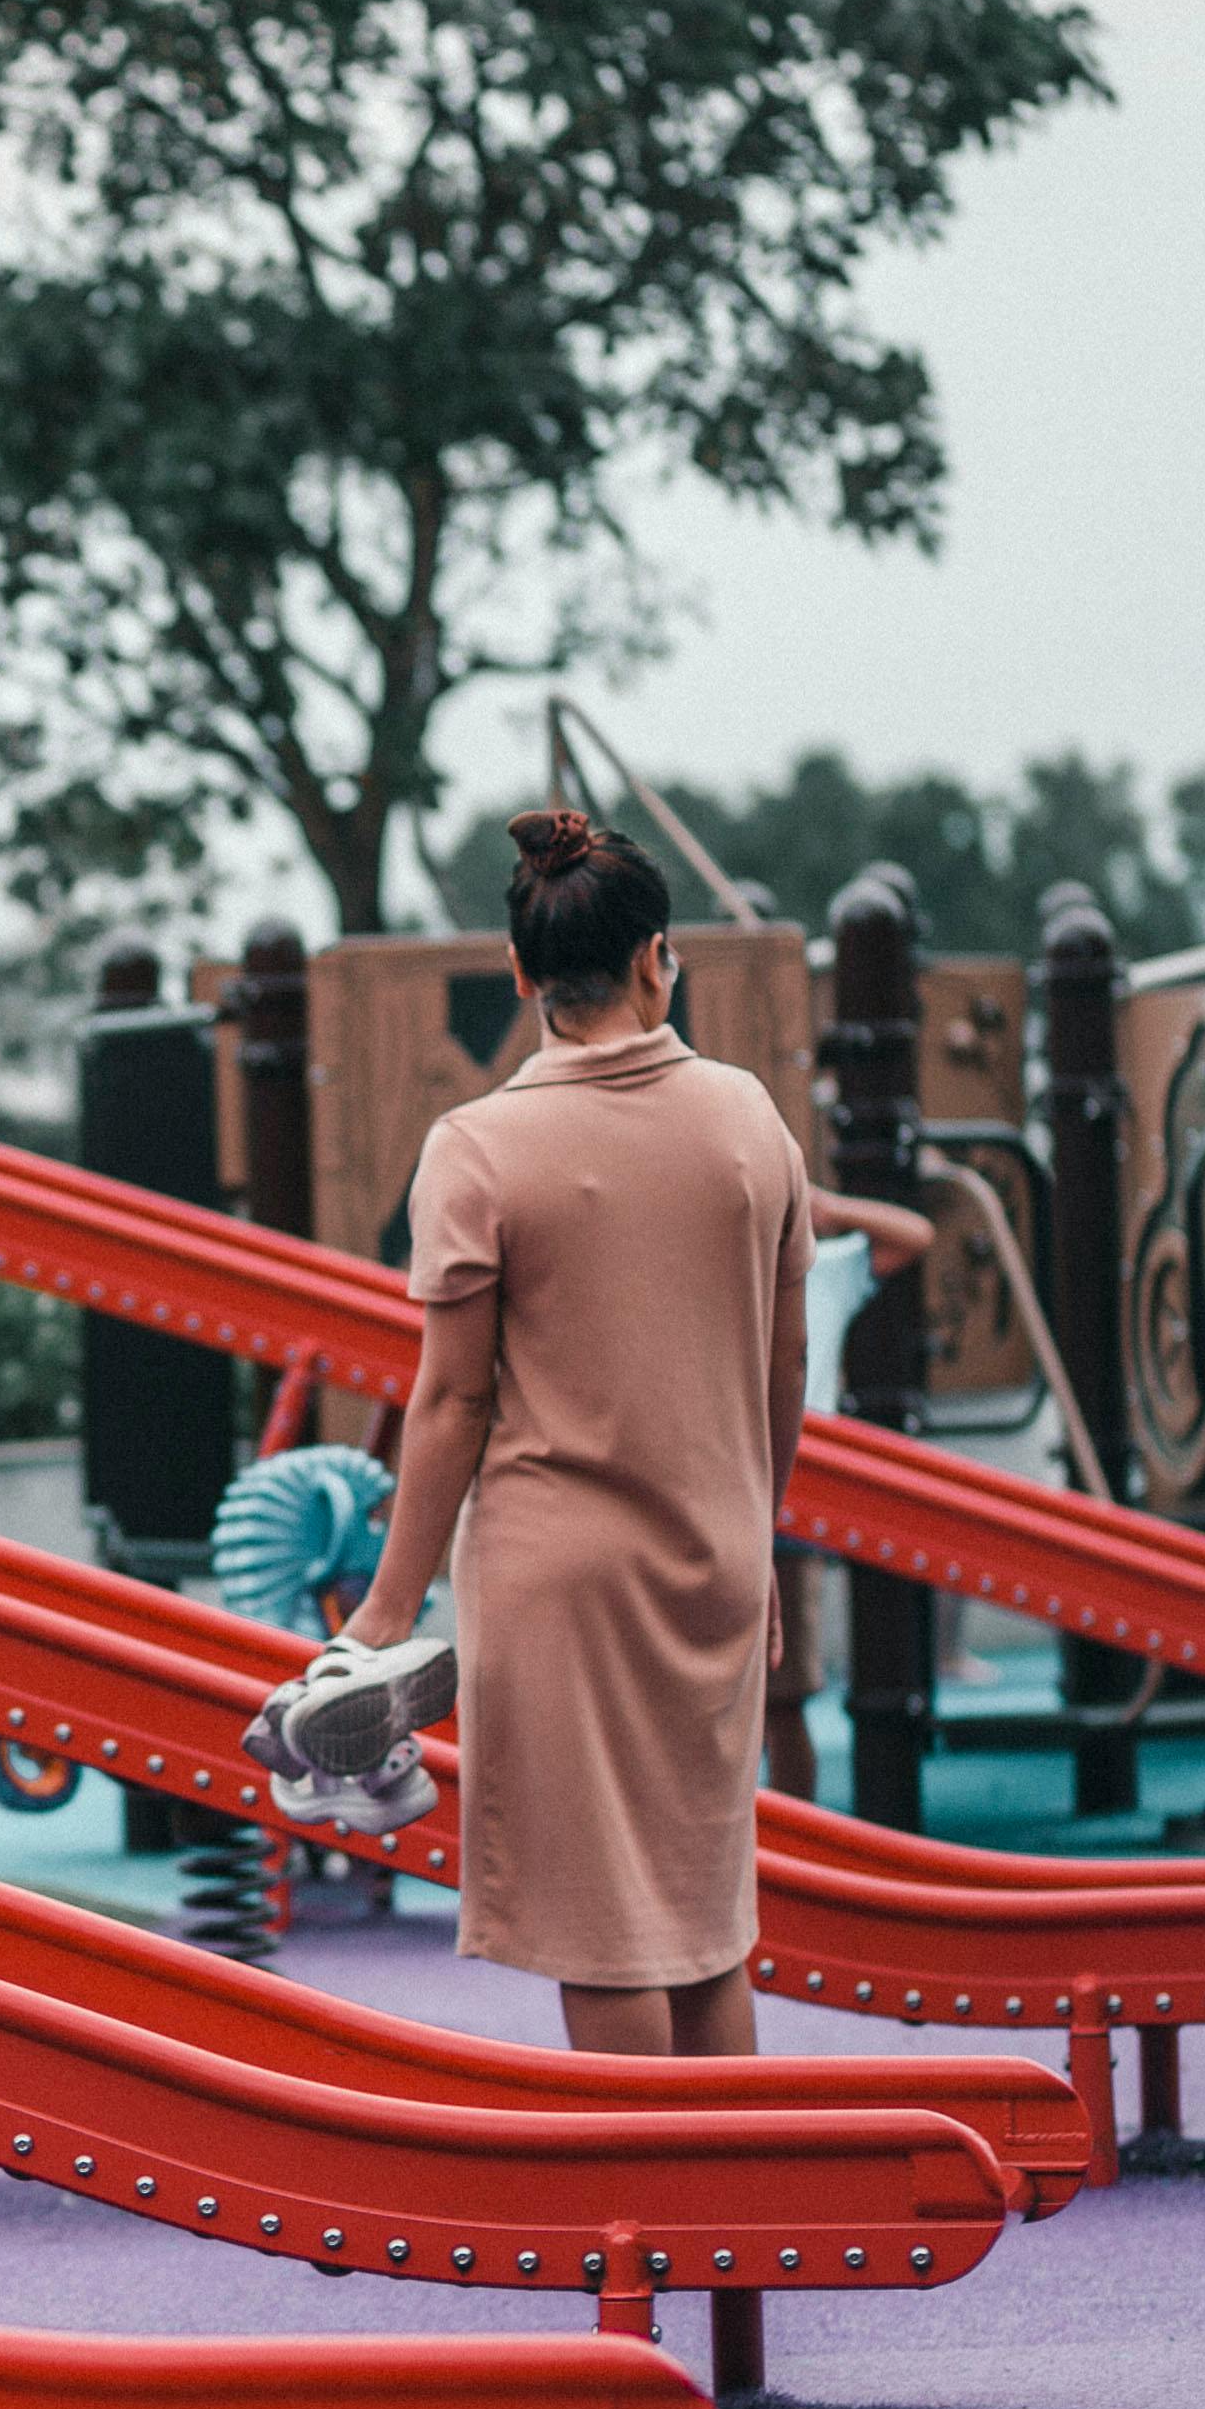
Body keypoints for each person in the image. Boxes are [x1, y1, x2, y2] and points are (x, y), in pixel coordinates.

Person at [326, 808, 813, 2060]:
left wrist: (384, 1615)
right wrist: (756, 1548)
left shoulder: (478, 1148)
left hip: (557, 1585)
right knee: (706, 1928)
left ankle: (640, 2237)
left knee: (605, 1934)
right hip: (713, 1559)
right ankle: (737, 2250)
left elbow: (452, 1403)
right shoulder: (750, 1122)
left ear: (520, 974)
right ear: (660, 957)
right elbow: (784, 1362)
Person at [762, 1185, 939, 1806]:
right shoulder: (708, 1275)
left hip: (798, 1491)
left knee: (782, 1695)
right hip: (723, 1486)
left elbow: (915, 1234)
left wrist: (830, 1209)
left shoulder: (823, 1270)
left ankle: (794, 1836)